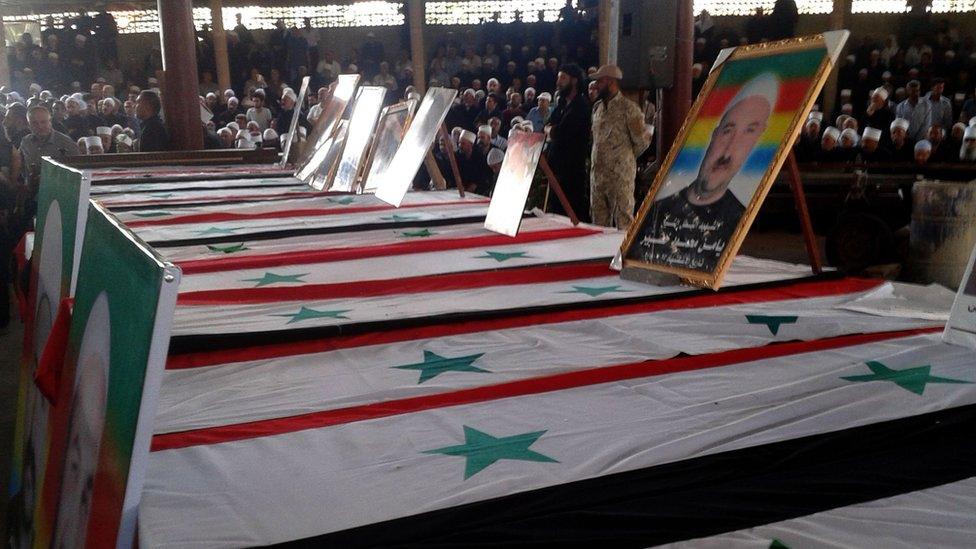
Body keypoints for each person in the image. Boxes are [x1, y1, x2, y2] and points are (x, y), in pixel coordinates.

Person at [628, 72, 777, 271]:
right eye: (728, 130)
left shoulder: (736, 217)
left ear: (755, 145)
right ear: (714, 136)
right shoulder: (659, 210)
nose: (729, 148)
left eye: (749, 132)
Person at [589, 64, 649, 230]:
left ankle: (621, 256)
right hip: (598, 177)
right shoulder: (598, 109)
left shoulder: (629, 109)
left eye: (599, 81)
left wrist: (623, 159)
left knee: (623, 221)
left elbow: (642, 141)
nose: (596, 85)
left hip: (620, 177)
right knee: (598, 224)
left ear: (610, 82)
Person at [546, 64, 591, 222]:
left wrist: (553, 131)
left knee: (571, 211)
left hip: (571, 170)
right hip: (557, 167)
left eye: (563, 78)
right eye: (558, 78)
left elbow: (562, 132)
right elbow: (549, 126)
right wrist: (552, 131)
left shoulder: (581, 105)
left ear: (574, 81)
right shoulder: (562, 104)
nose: (558, 82)